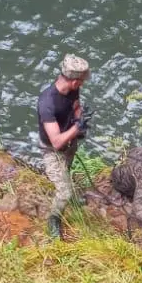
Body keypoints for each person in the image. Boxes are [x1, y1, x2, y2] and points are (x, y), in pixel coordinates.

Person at [37, 54, 91, 240]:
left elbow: (76, 106)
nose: (82, 85)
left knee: (66, 171)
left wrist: (80, 118)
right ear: (74, 81)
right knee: (64, 192)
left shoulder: (72, 89)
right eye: (81, 82)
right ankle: (54, 219)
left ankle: (71, 199)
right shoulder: (47, 103)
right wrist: (77, 128)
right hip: (52, 151)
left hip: (69, 144)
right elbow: (56, 142)